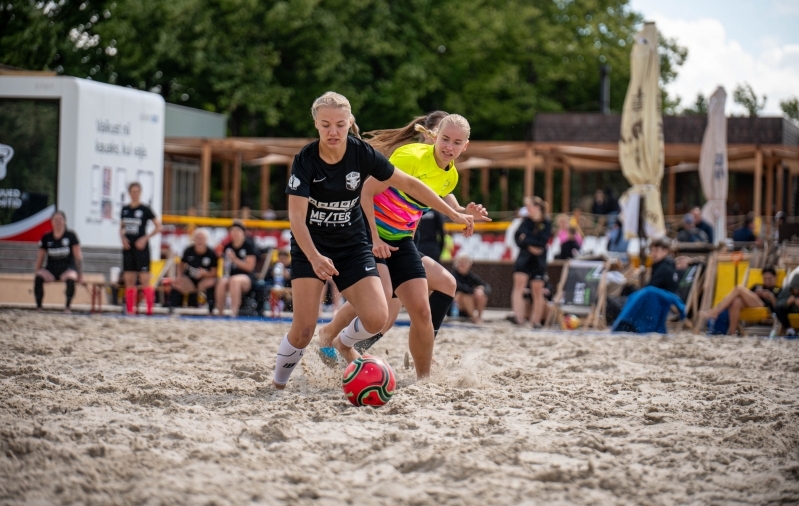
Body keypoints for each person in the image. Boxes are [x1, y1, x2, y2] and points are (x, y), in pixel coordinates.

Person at [272, 92, 475, 389]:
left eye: (340, 124)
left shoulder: (443, 173)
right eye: (326, 124)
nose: (333, 131)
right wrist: (362, 241)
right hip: (345, 238)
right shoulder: (309, 160)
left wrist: (456, 213)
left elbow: (422, 188)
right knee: (311, 328)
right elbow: (303, 217)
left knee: (399, 312)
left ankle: (422, 379)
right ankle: (299, 367)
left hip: (380, 241)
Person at [318, 111, 489, 354]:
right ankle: (338, 340)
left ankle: (421, 345)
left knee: (442, 286)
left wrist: (462, 210)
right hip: (377, 230)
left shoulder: (445, 171)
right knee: (382, 304)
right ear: (431, 136)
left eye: (456, 142)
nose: (448, 147)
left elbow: (441, 191)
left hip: (404, 236)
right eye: (444, 138)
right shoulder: (412, 157)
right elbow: (377, 189)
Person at [120, 182, 162, 315]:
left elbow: (158, 226)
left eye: (137, 192)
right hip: (128, 248)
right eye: (133, 192)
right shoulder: (125, 209)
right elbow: (121, 228)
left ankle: (149, 310)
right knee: (129, 279)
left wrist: (145, 238)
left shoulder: (145, 209)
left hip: (141, 248)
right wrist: (122, 238)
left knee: (145, 279)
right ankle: (130, 310)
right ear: (129, 193)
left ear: (140, 193)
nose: (135, 194)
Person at [700, 265, 780, 335]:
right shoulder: (757, 286)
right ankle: (732, 333)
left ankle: (716, 312)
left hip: (764, 306)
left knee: (739, 288)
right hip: (751, 305)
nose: (767, 281)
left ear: (775, 277)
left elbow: (778, 307)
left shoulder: (777, 289)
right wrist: (755, 295)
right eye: (765, 278)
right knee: (737, 302)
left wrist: (771, 296)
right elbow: (745, 296)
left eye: (769, 278)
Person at [511, 196, 552, 328]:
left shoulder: (546, 222)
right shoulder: (526, 221)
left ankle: (535, 321)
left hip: (538, 260)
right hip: (524, 258)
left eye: (529, 207)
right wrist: (529, 245)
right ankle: (519, 318)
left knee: (537, 290)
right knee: (519, 286)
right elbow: (517, 238)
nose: (527, 209)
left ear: (537, 207)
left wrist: (526, 240)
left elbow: (542, 241)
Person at [34, 211, 84, 312]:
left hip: (67, 268)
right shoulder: (46, 237)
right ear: (51, 222)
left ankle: (67, 307)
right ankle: (39, 307)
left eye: (60, 219)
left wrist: (80, 274)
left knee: (71, 279)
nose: (58, 222)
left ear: (64, 221)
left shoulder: (71, 235)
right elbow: (40, 257)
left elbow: (78, 256)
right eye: (55, 220)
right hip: (51, 269)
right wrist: (37, 270)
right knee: (38, 277)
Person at [213, 221, 257, 317]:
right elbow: (226, 266)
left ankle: (234, 312)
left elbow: (249, 268)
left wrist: (235, 259)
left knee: (234, 280)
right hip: (231, 275)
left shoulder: (249, 245)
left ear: (243, 232)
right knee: (222, 282)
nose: (235, 233)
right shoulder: (227, 246)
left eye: (237, 230)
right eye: (232, 230)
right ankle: (220, 313)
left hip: (247, 277)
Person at [169, 228, 218, 314]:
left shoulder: (211, 253)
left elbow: (215, 272)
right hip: (190, 280)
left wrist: (205, 274)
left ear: (206, 240)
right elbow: (181, 264)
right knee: (177, 283)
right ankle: (171, 308)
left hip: (204, 280)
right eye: (197, 238)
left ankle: (211, 309)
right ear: (193, 239)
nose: (200, 241)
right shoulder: (188, 250)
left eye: (202, 238)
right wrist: (179, 276)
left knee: (212, 282)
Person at [452, 253, 490, 324]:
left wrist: (480, 290)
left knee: (480, 294)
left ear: (469, 264)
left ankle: (479, 317)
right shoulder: (453, 275)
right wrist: (473, 291)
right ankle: (475, 318)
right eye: (460, 262)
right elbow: (460, 287)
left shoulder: (471, 276)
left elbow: (486, 286)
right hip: (455, 308)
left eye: (464, 262)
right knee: (465, 295)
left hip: (470, 305)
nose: (462, 264)